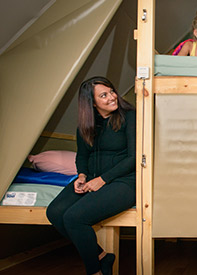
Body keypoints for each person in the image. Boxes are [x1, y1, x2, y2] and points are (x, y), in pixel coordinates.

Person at [46, 76, 136, 275]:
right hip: (93, 179)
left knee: (74, 218)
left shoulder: (130, 116)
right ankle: (102, 256)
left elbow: (134, 157)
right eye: (104, 95)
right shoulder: (86, 125)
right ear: (92, 103)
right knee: (54, 212)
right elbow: (83, 155)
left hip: (125, 181)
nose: (112, 97)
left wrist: (102, 180)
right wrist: (82, 176)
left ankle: (94, 271)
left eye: (111, 91)